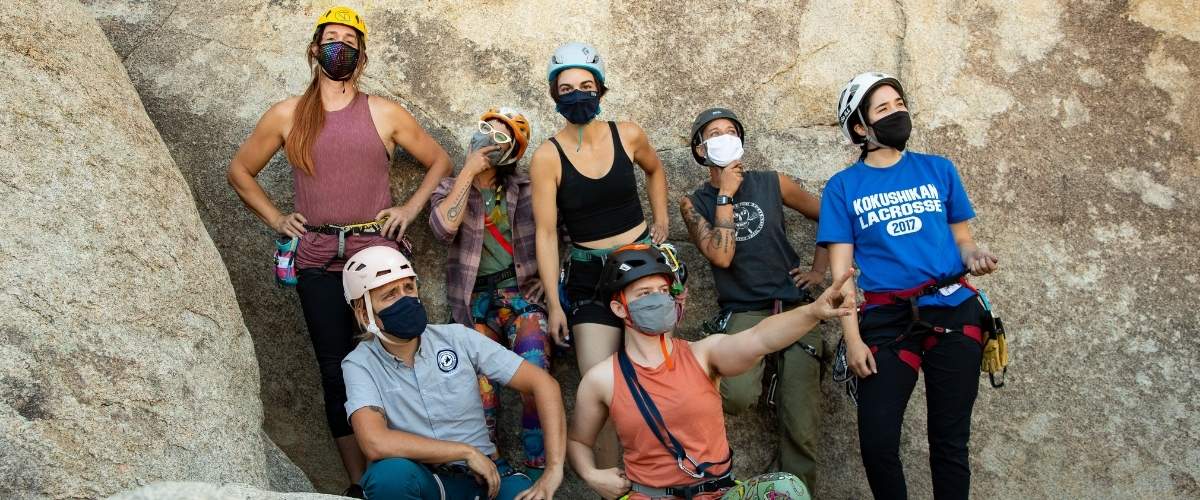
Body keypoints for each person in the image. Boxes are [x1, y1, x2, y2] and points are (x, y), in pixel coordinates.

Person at [225, 6, 452, 494]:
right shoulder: (287, 114)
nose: (340, 48)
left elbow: (439, 160)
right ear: (314, 49)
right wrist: (278, 219)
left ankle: (430, 464)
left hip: (378, 253)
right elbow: (240, 172)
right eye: (331, 39)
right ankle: (361, 483)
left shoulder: (384, 112)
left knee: (405, 351)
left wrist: (409, 209)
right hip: (318, 256)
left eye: (350, 42)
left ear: (361, 56)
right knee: (337, 367)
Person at [818, 71, 1000, 499]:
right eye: (883, 108)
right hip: (886, 319)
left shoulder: (939, 169)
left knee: (950, 443)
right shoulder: (843, 188)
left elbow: (963, 240)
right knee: (878, 443)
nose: (897, 112)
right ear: (860, 127)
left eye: (899, 103)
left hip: (954, 308)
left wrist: (974, 257)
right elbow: (841, 275)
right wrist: (853, 339)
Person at [568, 245, 856, 499]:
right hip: (650, 496)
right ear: (619, 308)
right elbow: (579, 441)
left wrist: (813, 312)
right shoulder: (602, 379)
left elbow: (760, 338)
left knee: (788, 491)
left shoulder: (702, 354)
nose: (658, 300)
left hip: (719, 493)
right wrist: (592, 475)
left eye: (664, 291)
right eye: (644, 294)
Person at [529, 41, 670, 467]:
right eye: (566, 87)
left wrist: (660, 221)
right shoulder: (546, 156)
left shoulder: (628, 134)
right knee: (601, 389)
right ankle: (618, 488)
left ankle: (667, 479)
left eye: (586, 85)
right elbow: (547, 233)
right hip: (590, 280)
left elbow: (655, 169)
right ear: (554, 95)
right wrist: (554, 303)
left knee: (658, 381)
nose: (576, 94)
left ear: (601, 89)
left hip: (642, 271)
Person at [679, 107, 829, 492]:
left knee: (802, 426)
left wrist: (818, 271)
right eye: (715, 132)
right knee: (737, 396)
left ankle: (797, 493)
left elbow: (831, 215)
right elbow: (721, 255)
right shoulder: (693, 203)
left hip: (793, 307)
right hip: (744, 312)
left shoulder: (772, 182)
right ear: (700, 149)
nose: (726, 136)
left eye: (732, 130)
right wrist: (725, 195)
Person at [340, 246, 566, 500]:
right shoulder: (359, 363)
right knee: (388, 477)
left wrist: (554, 469)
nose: (405, 298)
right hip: (428, 481)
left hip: (486, 478)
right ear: (363, 312)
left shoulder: (457, 338)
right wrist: (464, 452)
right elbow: (375, 442)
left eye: (409, 287)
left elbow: (543, 384)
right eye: (390, 294)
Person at [429, 108, 552, 475]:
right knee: (479, 390)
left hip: (521, 296)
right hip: (473, 306)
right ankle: (488, 467)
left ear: (513, 153)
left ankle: (536, 468)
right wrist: (467, 170)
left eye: (500, 137)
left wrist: (550, 282)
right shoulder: (448, 189)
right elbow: (441, 230)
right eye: (484, 129)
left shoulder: (527, 189)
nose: (486, 139)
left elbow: (556, 234)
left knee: (534, 370)